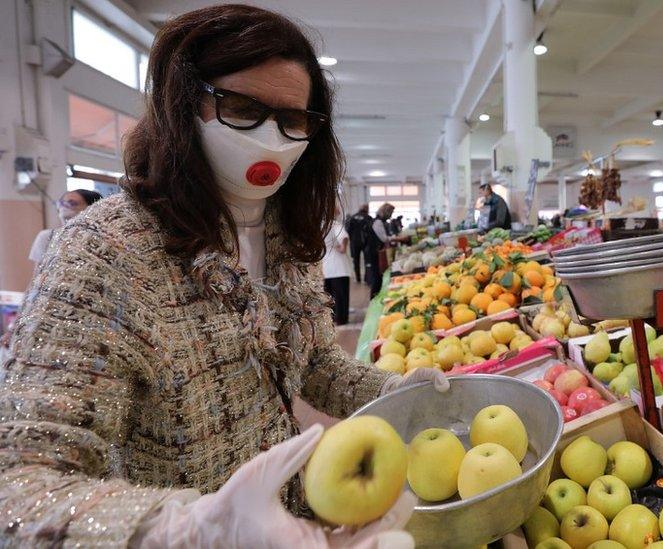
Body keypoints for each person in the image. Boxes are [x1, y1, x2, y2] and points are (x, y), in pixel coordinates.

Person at [0, 6, 448, 547]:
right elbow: (20, 484)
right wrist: (187, 528)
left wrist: (395, 393)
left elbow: (312, 364)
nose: (271, 138)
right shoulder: (104, 254)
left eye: (293, 120)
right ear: (185, 103)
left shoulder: (287, 234)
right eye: (240, 107)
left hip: (297, 519)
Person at [28, 189, 103, 267]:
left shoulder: (100, 240)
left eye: (72, 203)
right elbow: (37, 273)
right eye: (61, 203)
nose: (64, 207)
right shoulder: (47, 236)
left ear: (91, 208)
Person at [365, 203, 405, 297]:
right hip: (374, 253)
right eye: (391, 212)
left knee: (379, 275)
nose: (391, 215)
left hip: (376, 251)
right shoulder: (378, 222)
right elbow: (384, 238)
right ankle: (373, 298)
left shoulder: (381, 221)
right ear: (386, 212)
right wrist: (398, 238)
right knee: (377, 277)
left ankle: (376, 296)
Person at [323, 215, 353, 325]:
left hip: (325, 267)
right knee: (341, 296)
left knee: (329, 296)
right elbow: (343, 236)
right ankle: (341, 319)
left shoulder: (317, 225)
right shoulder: (334, 223)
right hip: (339, 267)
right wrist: (343, 248)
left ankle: (331, 319)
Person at [344, 204, 370, 283]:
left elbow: (347, 230)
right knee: (367, 260)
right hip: (366, 242)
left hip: (354, 242)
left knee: (356, 261)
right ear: (367, 209)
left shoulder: (352, 218)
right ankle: (366, 278)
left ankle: (358, 278)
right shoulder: (368, 218)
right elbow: (370, 231)